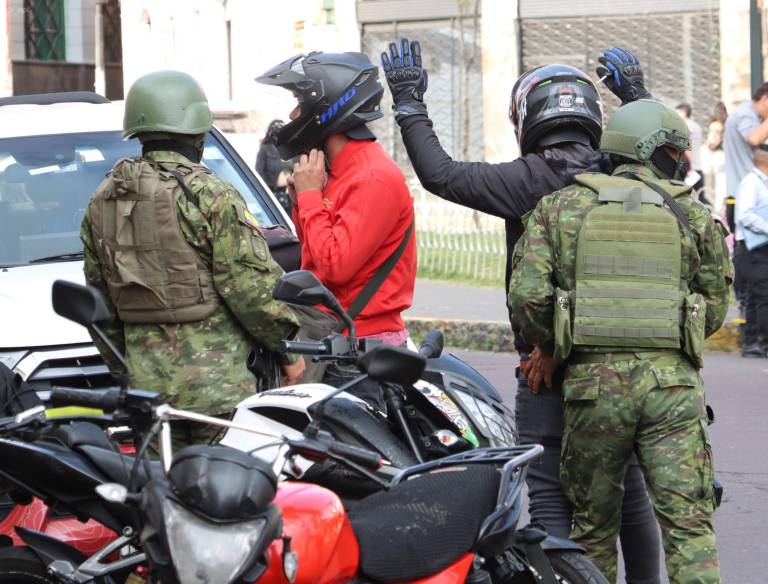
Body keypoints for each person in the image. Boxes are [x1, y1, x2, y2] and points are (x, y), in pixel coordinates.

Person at [381, 40, 661, 582]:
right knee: (631, 493)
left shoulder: (525, 179)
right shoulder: (625, 171)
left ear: (527, 119)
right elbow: (671, 159)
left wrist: (410, 101)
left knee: (551, 487)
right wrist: (637, 93)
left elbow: (439, 174)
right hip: (626, 359)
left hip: (546, 364)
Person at [508, 99, 732, 583]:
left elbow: (526, 299)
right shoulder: (692, 215)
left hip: (591, 390)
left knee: (593, 530)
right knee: (689, 528)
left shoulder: (560, 208)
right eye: (676, 151)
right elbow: (714, 305)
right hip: (672, 390)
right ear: (657, 152)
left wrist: (556, 345)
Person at [81, 71, 304, 443]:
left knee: (160, 498)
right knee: (231, 495)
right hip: (221, 396)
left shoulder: (103, 200)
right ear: (198, 132)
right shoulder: (210, 195)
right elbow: (250, 290)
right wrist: (288, 351)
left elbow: (98, 305)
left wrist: (130, 372)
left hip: (149, 399)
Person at [255, 52, 416, 347]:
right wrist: (303, 203)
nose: (292, 115)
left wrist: (310, 198)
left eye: (300, 105)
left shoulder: (372, 177)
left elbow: (335, 268)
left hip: (363, 343)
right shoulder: (334, 171)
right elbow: (314, 261)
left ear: (326, 108)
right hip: (332, 333)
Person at [725, 83, 768, 352]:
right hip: (742, 201)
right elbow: (754, 139)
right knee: (755, 281)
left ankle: (752, 336)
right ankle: (751, 336)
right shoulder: (744, 114)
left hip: (753, 203)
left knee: (759, 282)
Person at [734, 145, 768, 357]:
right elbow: (743, 214)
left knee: (759, 296)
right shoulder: (751, 183)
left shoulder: (761, 183)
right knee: (761, 295)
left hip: (760, 247)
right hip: (751, 248)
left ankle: (754, 342)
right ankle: (757, 342)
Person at [255, 119, 294, 214]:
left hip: (290, 196)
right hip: (272, 196)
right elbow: (258, 172)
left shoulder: (291, 148)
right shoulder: (265, 149)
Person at [676, 102, 705, 192]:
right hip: (698, 167)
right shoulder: (696, 126)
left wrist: (689, 168)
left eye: (677, 112)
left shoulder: (684, 126)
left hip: (689, 169)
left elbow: (685, 148)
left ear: (683, 113)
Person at [700, 119, 727, 215]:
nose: (714, 135)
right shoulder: (704, 150)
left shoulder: (722, 155)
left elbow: (721, 189)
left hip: (718, 162)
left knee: (719, 190)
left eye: (717, 132)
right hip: (708, 162)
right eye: (712, 131)